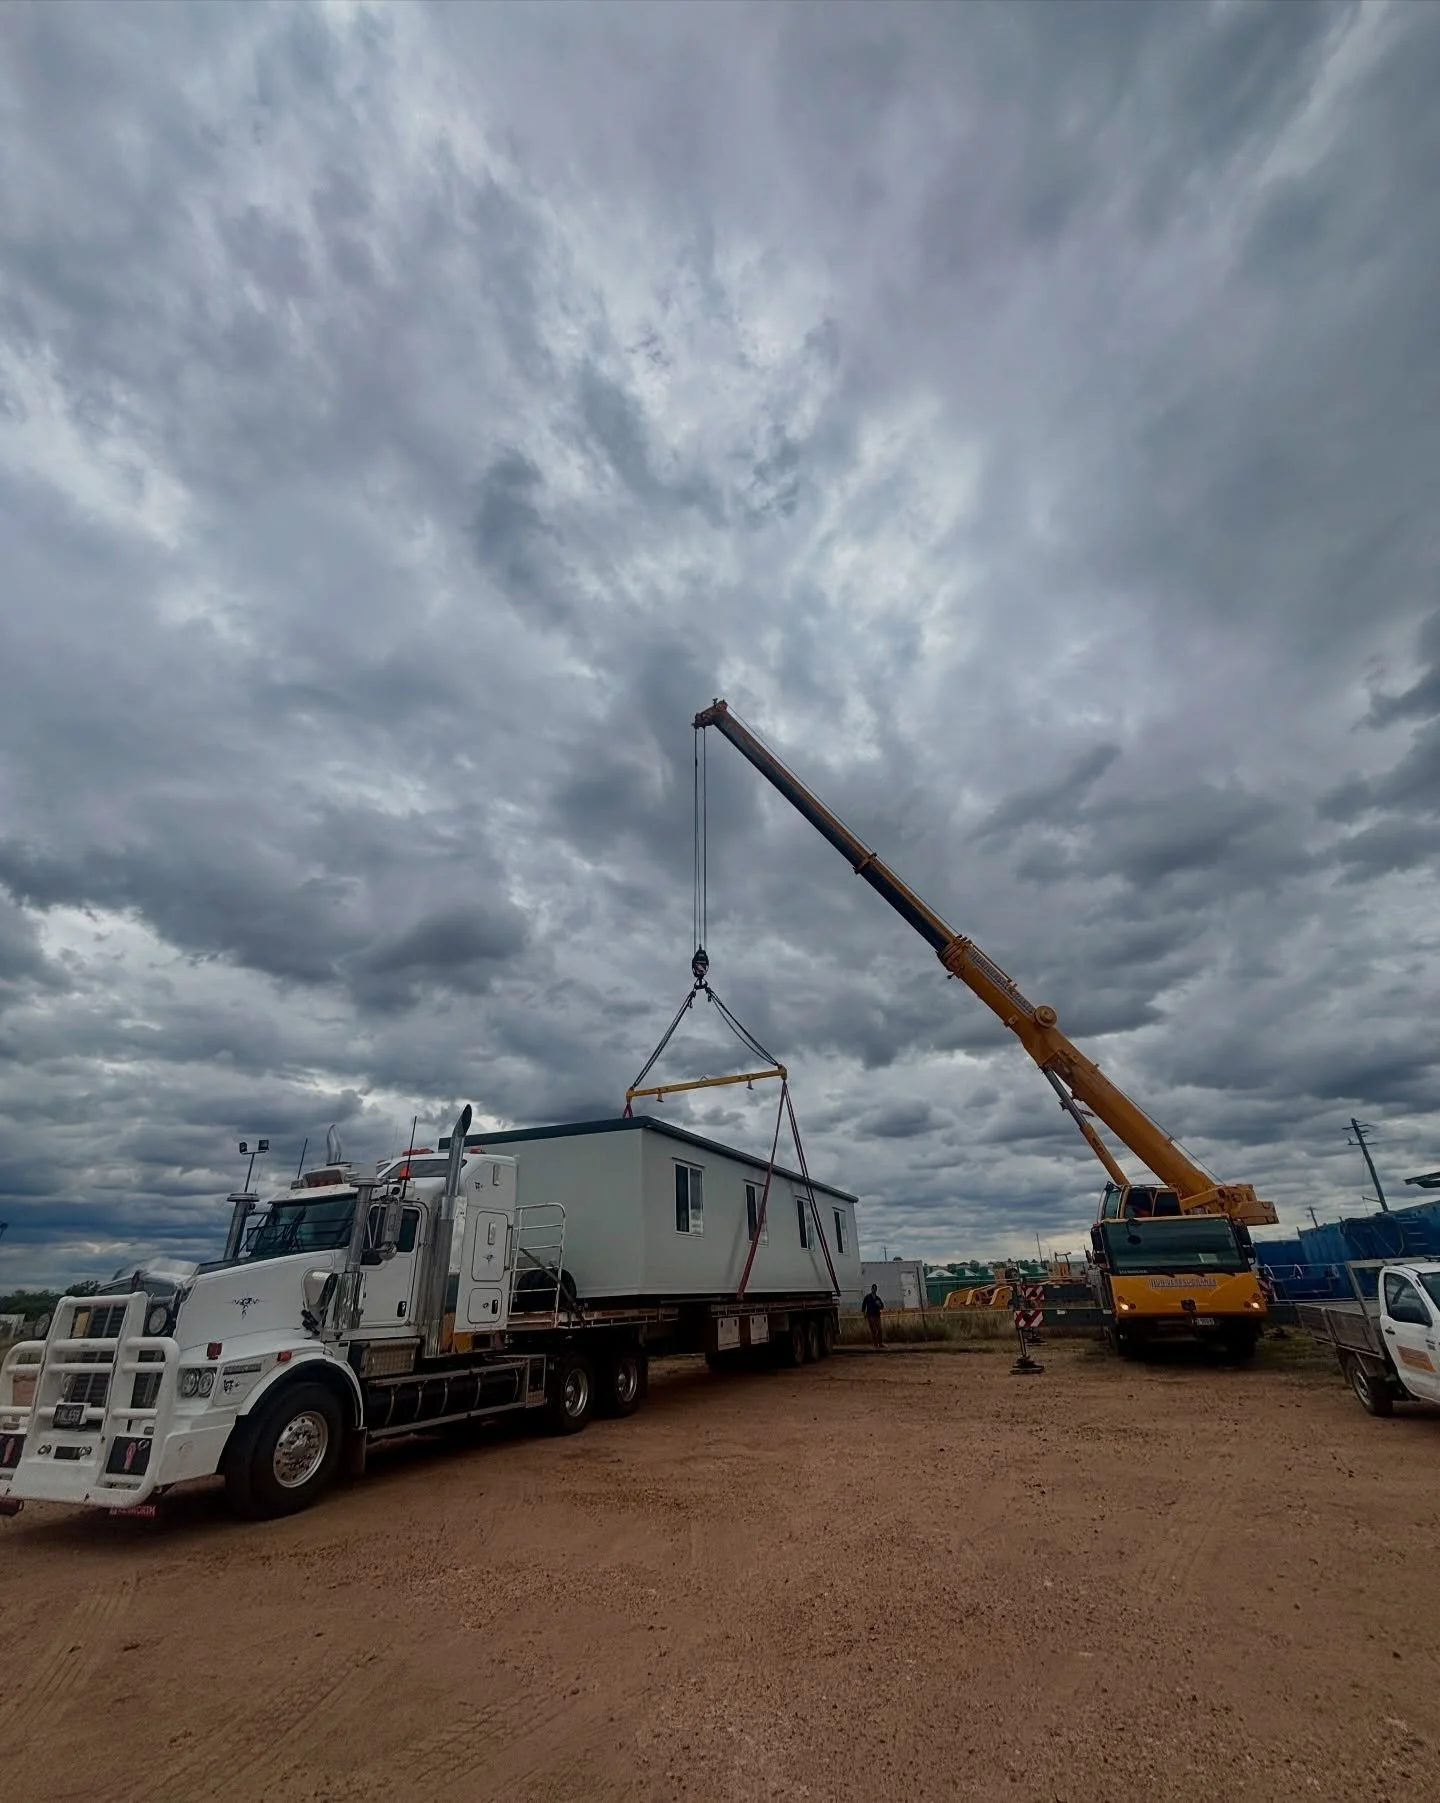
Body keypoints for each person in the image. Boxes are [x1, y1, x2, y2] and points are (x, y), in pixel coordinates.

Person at [861, 1283, 884, 1349]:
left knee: (879, 1330)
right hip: (870, 1315)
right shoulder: (867, 1297)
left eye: (875, 1288)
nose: (874, 1290)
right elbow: (863, 1305)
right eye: (873, 1288)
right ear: (872, 1289)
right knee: (874, 1330)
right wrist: (864, 1313)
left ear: (876, 1290)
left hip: (877, 1316)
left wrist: (879, 1305)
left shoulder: (877, 1298)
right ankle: (875, 1344)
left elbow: (882, 1306)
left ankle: (880, 1343)